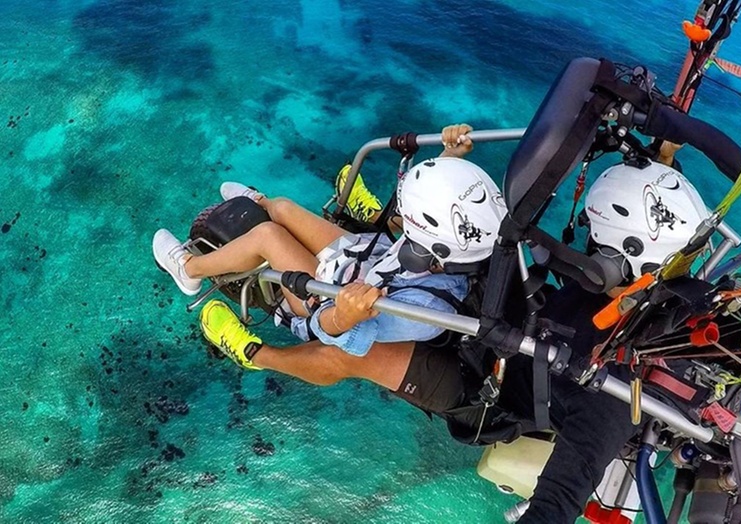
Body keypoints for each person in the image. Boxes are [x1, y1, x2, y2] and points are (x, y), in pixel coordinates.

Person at [196, 157, 713, 523]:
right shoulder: (648, 291)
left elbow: (560, 498)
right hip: (495, 307)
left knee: (357, 353)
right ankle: (407, 231)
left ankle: (259, 354)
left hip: (481, 389)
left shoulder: (614, 401)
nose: (589, 254)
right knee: (435, 252)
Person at [153, 125, 504, 360]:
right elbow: (442, 215)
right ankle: (262, 203)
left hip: (326, 303)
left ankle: (189, 270)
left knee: (268, 236)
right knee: (284, 207)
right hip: (366, 262)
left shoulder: (427, 313)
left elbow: (336, 334)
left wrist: (344, 316)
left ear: (428, 245)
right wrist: (449, 158)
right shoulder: (464, 244)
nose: (403, 223)